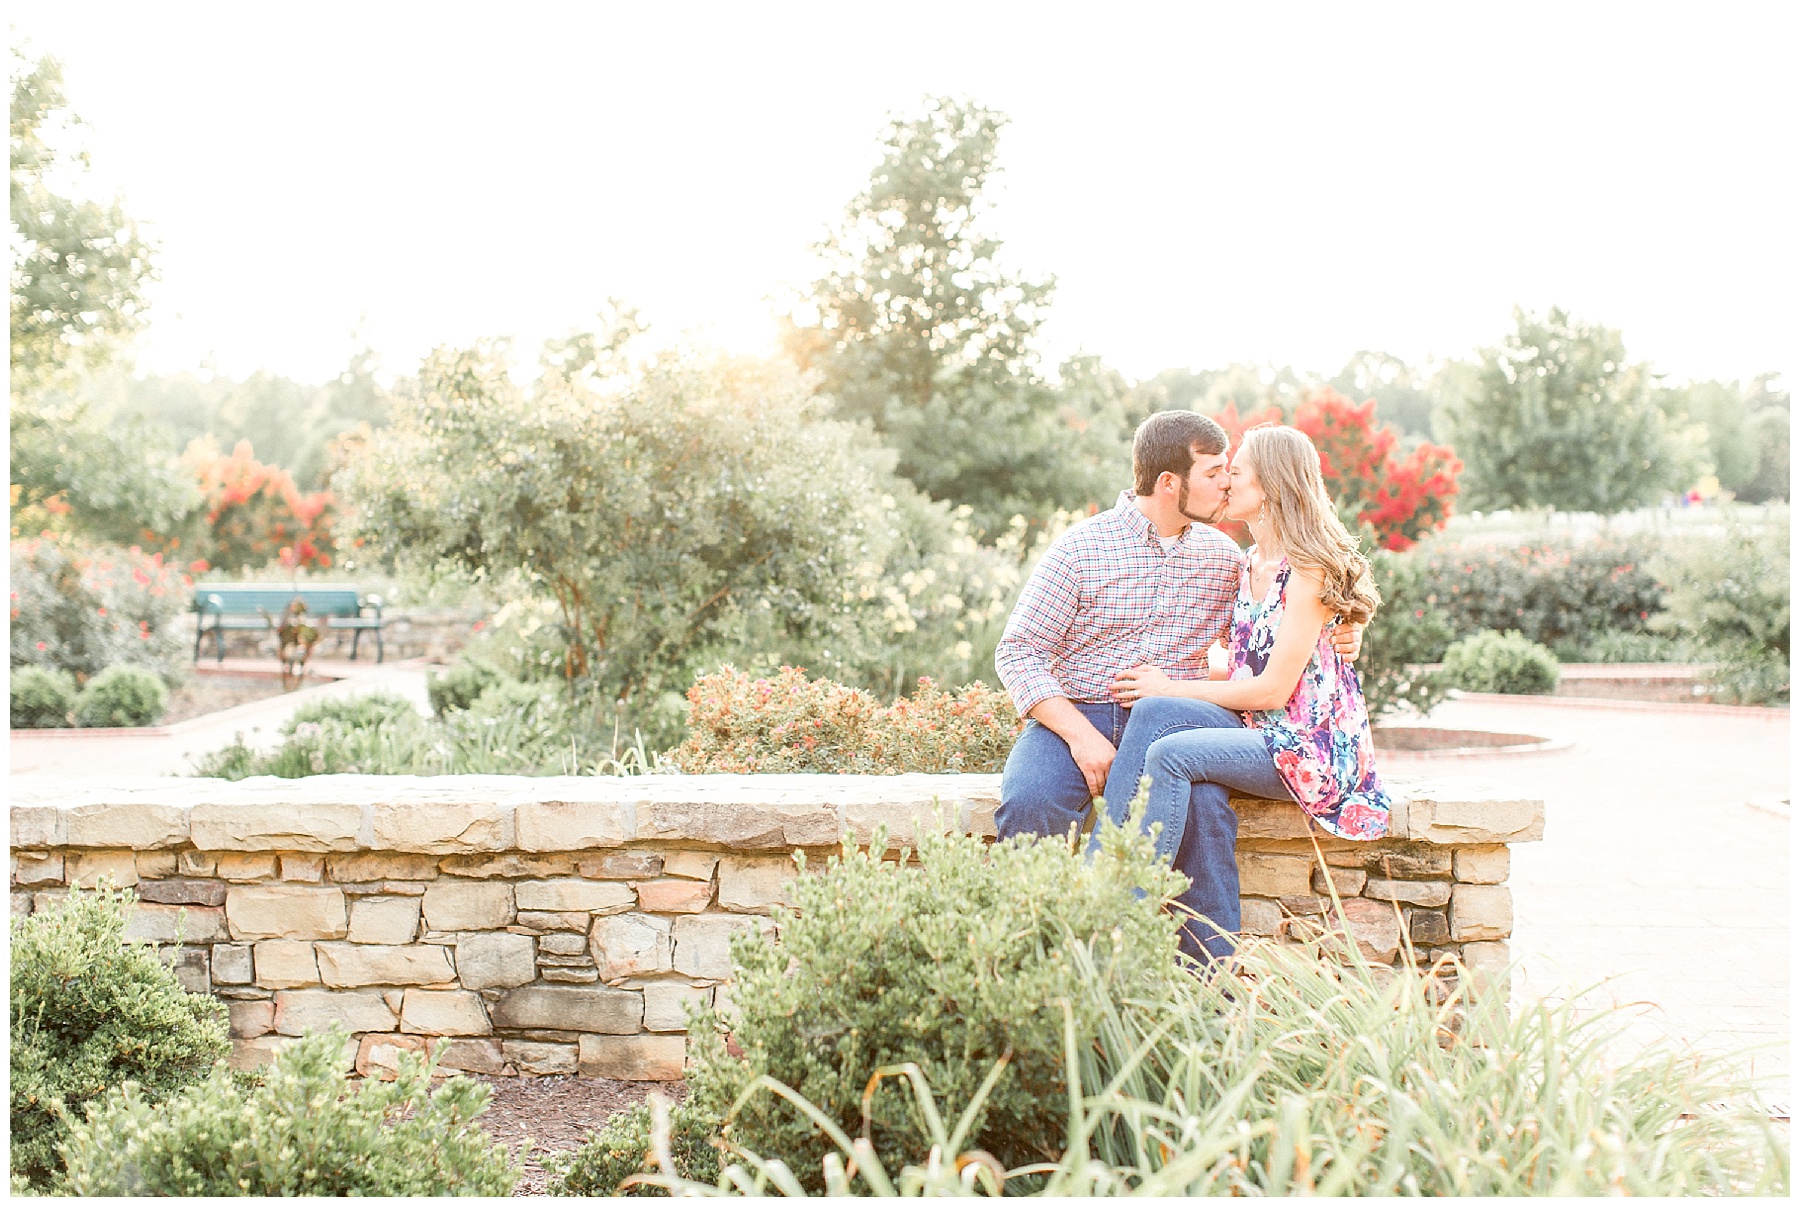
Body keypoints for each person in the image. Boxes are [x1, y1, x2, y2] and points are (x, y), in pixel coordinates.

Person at [994, 411, 1364, 955]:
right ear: (1170, 483)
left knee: (1206, 812)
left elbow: (1287, 621)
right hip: (1080, 712)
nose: (1225, 482)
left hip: (1178, 715)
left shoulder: (1223, 558)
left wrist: (1346, 633)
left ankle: (1206, 986)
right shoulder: (1080, 549)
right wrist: (1079, 736)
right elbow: (1018, 651)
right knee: (1030, 804)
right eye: (1215, 472)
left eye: (1230, 471)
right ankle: (1027, 959)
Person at [1102, 423, 1391, 961]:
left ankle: (1117, 911)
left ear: (1272, 485)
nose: (1225, 483)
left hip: (1309, 748)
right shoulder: (1250, 564)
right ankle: (1103, 881)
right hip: (1260, 733)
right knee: (1156, 712)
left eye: (1236, 473)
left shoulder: (1308, 570)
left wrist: (1171, 682)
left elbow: (1274, 690)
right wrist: (1167, 687)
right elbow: (1240, 661)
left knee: (1169, 753)